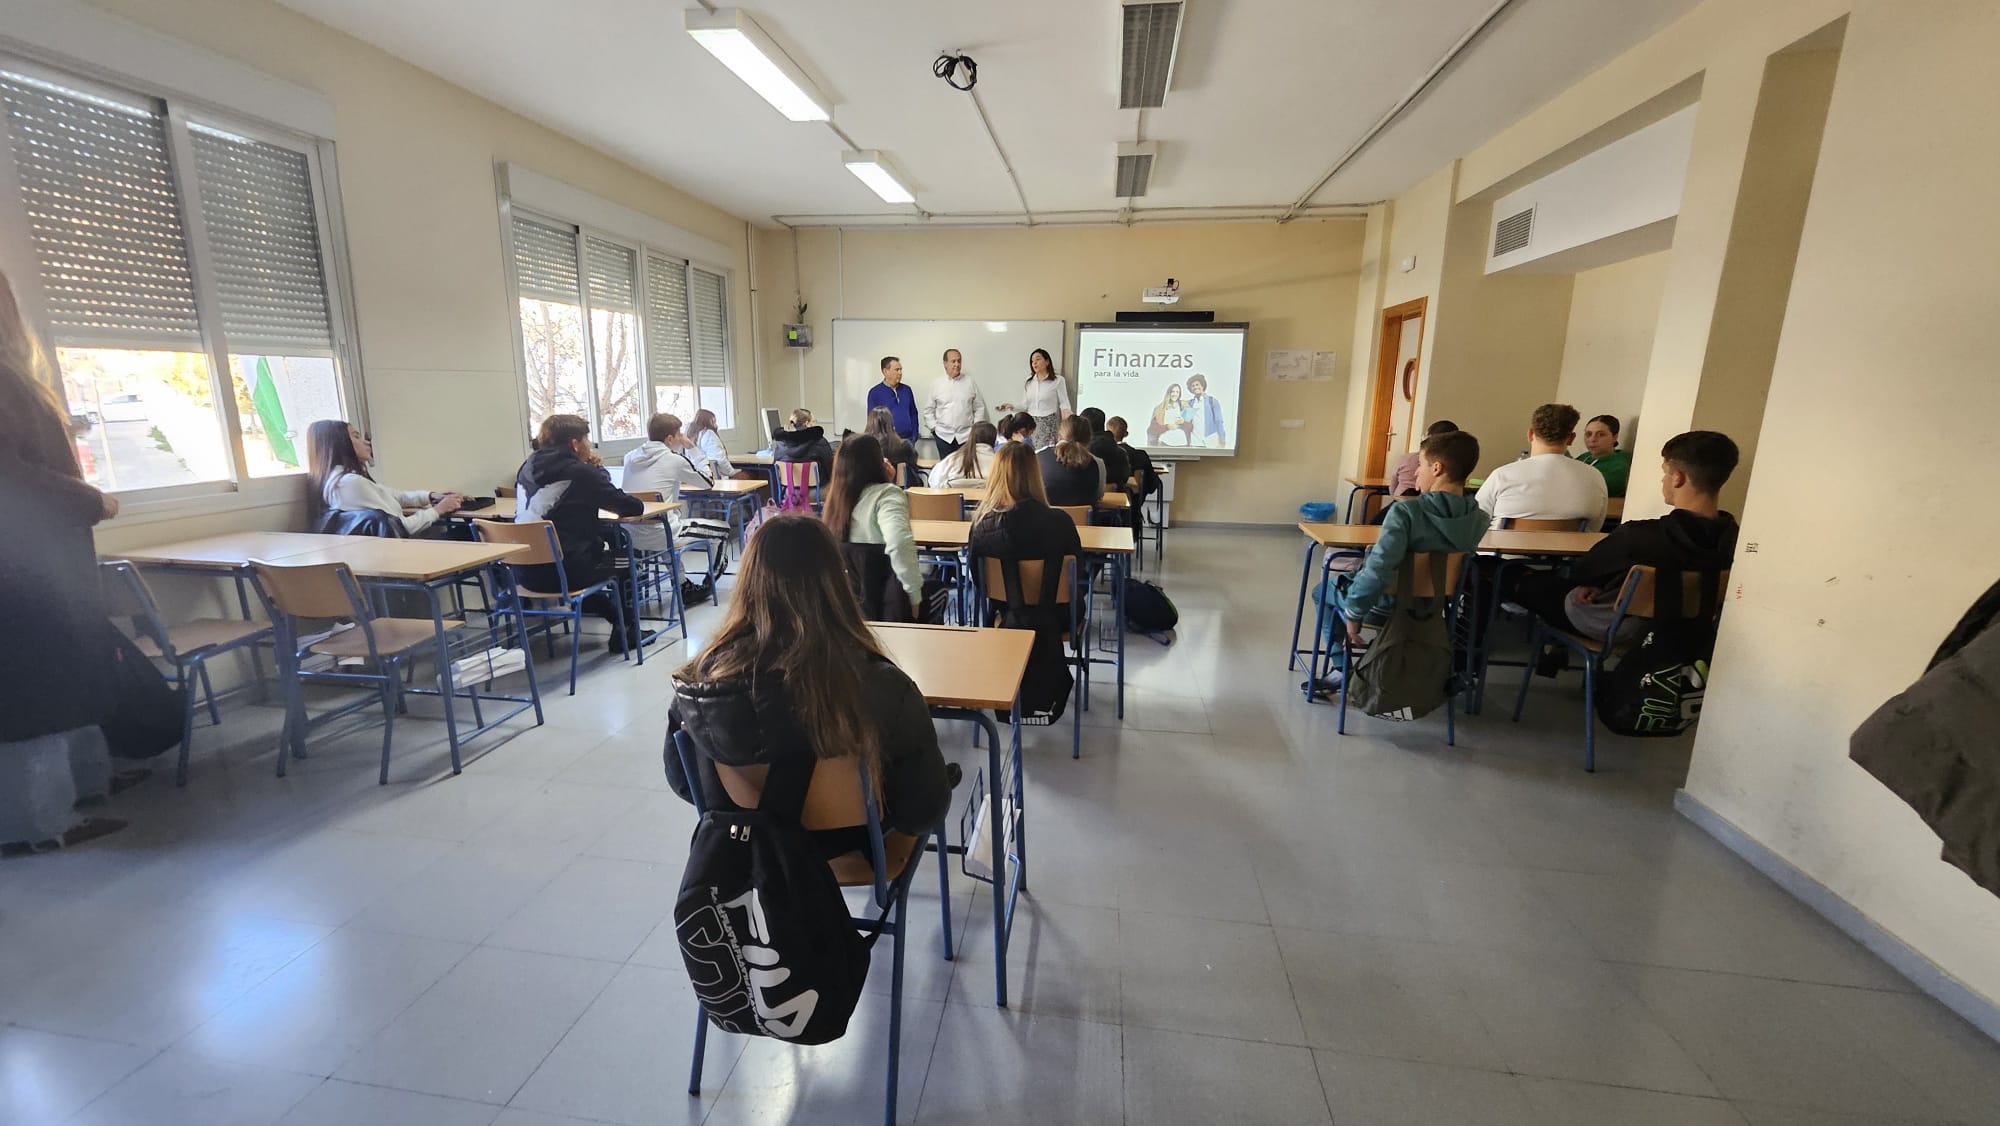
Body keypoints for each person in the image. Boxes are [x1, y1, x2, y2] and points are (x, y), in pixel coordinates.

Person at [665, 515, 953, 861]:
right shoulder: (885, 688)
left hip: (755, 856)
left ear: (747, 584)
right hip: (858, 852)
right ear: (838, 583)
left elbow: (685, 782)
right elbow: (923, 811)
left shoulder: (698, 685)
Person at [0, 269, 123, 850]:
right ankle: (40, 824)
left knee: (72, 675)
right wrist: (89, 498)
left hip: (45, 561)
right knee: (39, 691)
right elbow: (13, 478)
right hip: (23, 570)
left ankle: (86, 789)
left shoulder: (16, 379)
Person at [1512, 431, 1741, 645]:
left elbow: (1582, 570)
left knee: (1512, 577)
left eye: (1665, 472)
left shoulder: (1637, 536)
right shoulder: (1735, 539)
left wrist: (1595, 583)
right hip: (1694, 634)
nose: (1663, 480)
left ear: (1678, 478)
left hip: (1623, 627)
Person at [1309, 430, 1491, 691]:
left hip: (1386, 606)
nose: (1416, 473)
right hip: (1434, 609)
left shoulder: (1405, 512)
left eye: (1421, 467)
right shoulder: (1479, 518)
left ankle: (1341, 668)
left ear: (1437, 469)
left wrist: (1354, 612)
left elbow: (1379, 569)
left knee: (1321, 591)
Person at [515, 414, 646, 652]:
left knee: (585, 554)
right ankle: (626, 628)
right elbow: (631, 507)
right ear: (575, 443)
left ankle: (599, 612)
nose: (589, 445)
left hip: (523, 572)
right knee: (627, 560)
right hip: (565, 572)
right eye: (588, 440)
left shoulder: (525, 467)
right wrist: (598, 471)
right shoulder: (581, 473)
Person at [821, 434, 923, 620]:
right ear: (876, 462)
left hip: (845, 610)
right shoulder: (886, 495)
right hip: (886, 605)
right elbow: (899, 543)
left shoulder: (835, 500)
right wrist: (914, 596)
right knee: (937, 594)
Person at [305, 419, 462, 536]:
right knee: (467, 534)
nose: (366, 442)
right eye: (356, 436)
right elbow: (402, 527)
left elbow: (393, 495)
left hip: (379, 555)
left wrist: (430, 496)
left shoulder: (336, 480)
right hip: (398, 555)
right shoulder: (350, 483)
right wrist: (438, 510)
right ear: (340, 444)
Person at [1475, 403, 1608, 532]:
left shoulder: (1502, 475)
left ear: (1530, 434)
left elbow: (1475, 523)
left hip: (1501, 553)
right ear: (1571, 438)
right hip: (1571, 554)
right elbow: (1596, 526)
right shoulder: (1595, 476)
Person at [620, 412, 734, 558]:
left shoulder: (629, 458)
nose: (682, 437)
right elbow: (707, 482)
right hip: (663, 533)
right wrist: (693, 449)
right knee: (723, 529)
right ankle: (709, 581)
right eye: (679, 434)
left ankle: (682, 581)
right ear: (669, 439)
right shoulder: (674, 460)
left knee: (663, 529)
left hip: (630, 533)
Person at [998, 348, 1069, 447]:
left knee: (1044, 454)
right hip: (1030, 424)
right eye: (1032, 361)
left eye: (1038, 359)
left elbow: (1064, 404)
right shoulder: (1029, 381)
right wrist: (1012, 406)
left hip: (1048, 423)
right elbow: (1025, 404)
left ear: (1047, 361)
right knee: (1029, 451)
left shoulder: (1058, 380)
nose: (1034, 363)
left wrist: (1066, 427)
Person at [922, 347, 986, 458]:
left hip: (966, 437)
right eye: (953, 361)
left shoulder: (969, 382)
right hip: (943, 436)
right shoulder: (937, 384)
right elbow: (928, 410)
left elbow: (979, 407)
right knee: (946, 471)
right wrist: (934, 429)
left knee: (965, 469)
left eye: (959, 361)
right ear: (945, 364)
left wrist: (975, 428)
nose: (957, 364)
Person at [1037, 413, 1107, 508]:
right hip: (1083, 521)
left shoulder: (1038, 456)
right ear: (1089, 438)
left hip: (1044, 520)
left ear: (1059, 436)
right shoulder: (1098, 463)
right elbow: (1098, 496)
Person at [1390, 420, 1459, 496]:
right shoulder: (1456, 464)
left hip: (1403, 499)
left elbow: (1393, 486)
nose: (1417, 472)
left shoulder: (1408, 459)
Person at [771, 407, 834, 487]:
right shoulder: (819, 441)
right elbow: (830, 469)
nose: (814, 424)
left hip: (789, 493)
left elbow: (776, 470)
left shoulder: (780, 443)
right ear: (807, 423)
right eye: (813, 421)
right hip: (816, 492)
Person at [1078, 407, 1131, 499]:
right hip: (1112, 506)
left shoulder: (1075, 453)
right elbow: (1124, 478)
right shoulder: (1120, 453)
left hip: (1079, 504)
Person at [865, 356, 919, 444]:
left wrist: (914, 435)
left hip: (907, 440)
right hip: (887, 443)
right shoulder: (875, 392)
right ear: (885, 371)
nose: (900, 373)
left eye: (901, 369)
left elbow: (913, 413)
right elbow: (873, 420)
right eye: (897, 370)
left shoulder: (906, 390)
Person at [928, 420, 997, 488]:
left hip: (954, 499)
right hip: (988, 499)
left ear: (970, 437)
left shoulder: (954, 458)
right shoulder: (1000, 461)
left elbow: (934, 481)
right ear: (994, 440)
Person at [1577, 414, 1631, 498]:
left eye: (1600, 434)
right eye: (1588, 434)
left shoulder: (1620, 466)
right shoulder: (1585, 456)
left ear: (1614, 437)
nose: (1592, 439)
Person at [687, 408, 751, 480]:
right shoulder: (709, 434)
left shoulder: (690, 435)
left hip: (697, 477)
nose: (716, 425)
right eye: (714, 422)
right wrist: (733, 473)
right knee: (750, 474)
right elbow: (719, 460)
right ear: (709, 421)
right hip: (715, 478)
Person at [865, 404, 920, 486]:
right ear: (891, 424)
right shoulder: (905, 446)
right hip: (899, 493)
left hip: (868, 494)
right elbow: (914, 468)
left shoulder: (861, 447)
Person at [1183, 373, 1228, 448]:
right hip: (1195, 442)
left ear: (1202, 386)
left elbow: (1219, 422)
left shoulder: (1212, 401)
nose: (1195, 387)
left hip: (1210, 440)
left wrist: (1222, 441)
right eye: (1193, 386)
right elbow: (1185, 422)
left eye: (1197, 384)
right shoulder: (1190, 403)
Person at [1147, 383, 1191, 447]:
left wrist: (1183, 422)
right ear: (1169, 393)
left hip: (1182, 444)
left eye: (1177, 392)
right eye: (1173, 391)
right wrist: (1167, 427)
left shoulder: (1184, 405)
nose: (1175, 394)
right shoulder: (1159, 408)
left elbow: (1191, 427)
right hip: (1164, 443)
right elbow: (1153, 429)